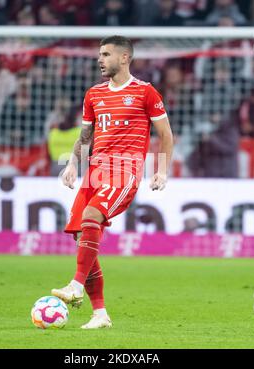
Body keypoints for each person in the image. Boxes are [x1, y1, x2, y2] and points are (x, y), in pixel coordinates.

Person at [51, 35, 173, 329]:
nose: (100, 59)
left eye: (106, 54)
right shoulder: (93, 94)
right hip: (95, 172)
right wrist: (71, 164)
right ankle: (100, 314)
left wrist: (162, 170)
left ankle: (75, 285)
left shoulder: (145, 92)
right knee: (83, 236)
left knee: (92, 216)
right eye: (99, 54)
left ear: (124, 58)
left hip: (125, 170)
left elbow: (166, 135)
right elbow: (85, 136)